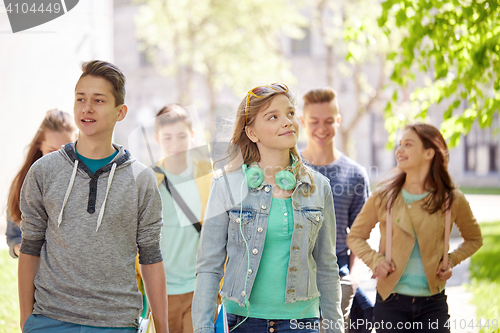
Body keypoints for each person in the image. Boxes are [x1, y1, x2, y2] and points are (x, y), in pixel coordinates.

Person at [18, 60, 168, 332]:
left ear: (120, 111)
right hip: (49, 320)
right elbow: (30, 247)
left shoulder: (141, 179)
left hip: (116, 323)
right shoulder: (44, 170)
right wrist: (26, 321)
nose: (87, 108)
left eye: (98, 100)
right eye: (80, 99)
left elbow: (151, 257)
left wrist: (163, 329)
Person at [192, 83, 344, 333]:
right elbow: (209, 266)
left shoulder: (319, 187)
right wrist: (203, 329)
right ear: (252, 133)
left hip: (302, 324)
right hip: (240, 323)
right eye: (273, 116)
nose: (287, 122)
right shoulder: (226, 186)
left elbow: (327, 266)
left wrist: (334, 328)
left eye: (291, 113)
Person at [347, 123, 483, 333]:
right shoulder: (384, 196)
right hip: (390, 303)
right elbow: (355, 236)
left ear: (429, 153)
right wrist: (376, 261)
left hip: (433, 304)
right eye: (399, 144)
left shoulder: (451, 199)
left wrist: (451, 260)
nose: (399, 150)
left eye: (408, 144)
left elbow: (475, 239)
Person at [299, 87, 374, 331]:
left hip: (338, 268)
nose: (322, 128)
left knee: (367, 317)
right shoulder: (288, 169)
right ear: (302, 122)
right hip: (297, 264)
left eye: (329, 121)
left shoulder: (356, 174)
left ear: (338, 121)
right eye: (314, 121)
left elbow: (360, 235)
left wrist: (353, 278)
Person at [153, 104, 213, 333]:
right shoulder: (148, 181)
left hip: (200, 289)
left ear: (192, 135)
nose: (175, 144)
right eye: (168, 137)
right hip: (160, 292)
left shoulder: (209, 176)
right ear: (157, 138)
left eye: (181, 136)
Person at [6, 109, 77, 259]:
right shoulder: (24, 182)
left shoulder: (86, 182)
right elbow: (14, 238)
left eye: (66, 151)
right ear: (40, 146)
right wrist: (26, 252)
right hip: (37, 272)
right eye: (51, 151)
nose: (59, 160)